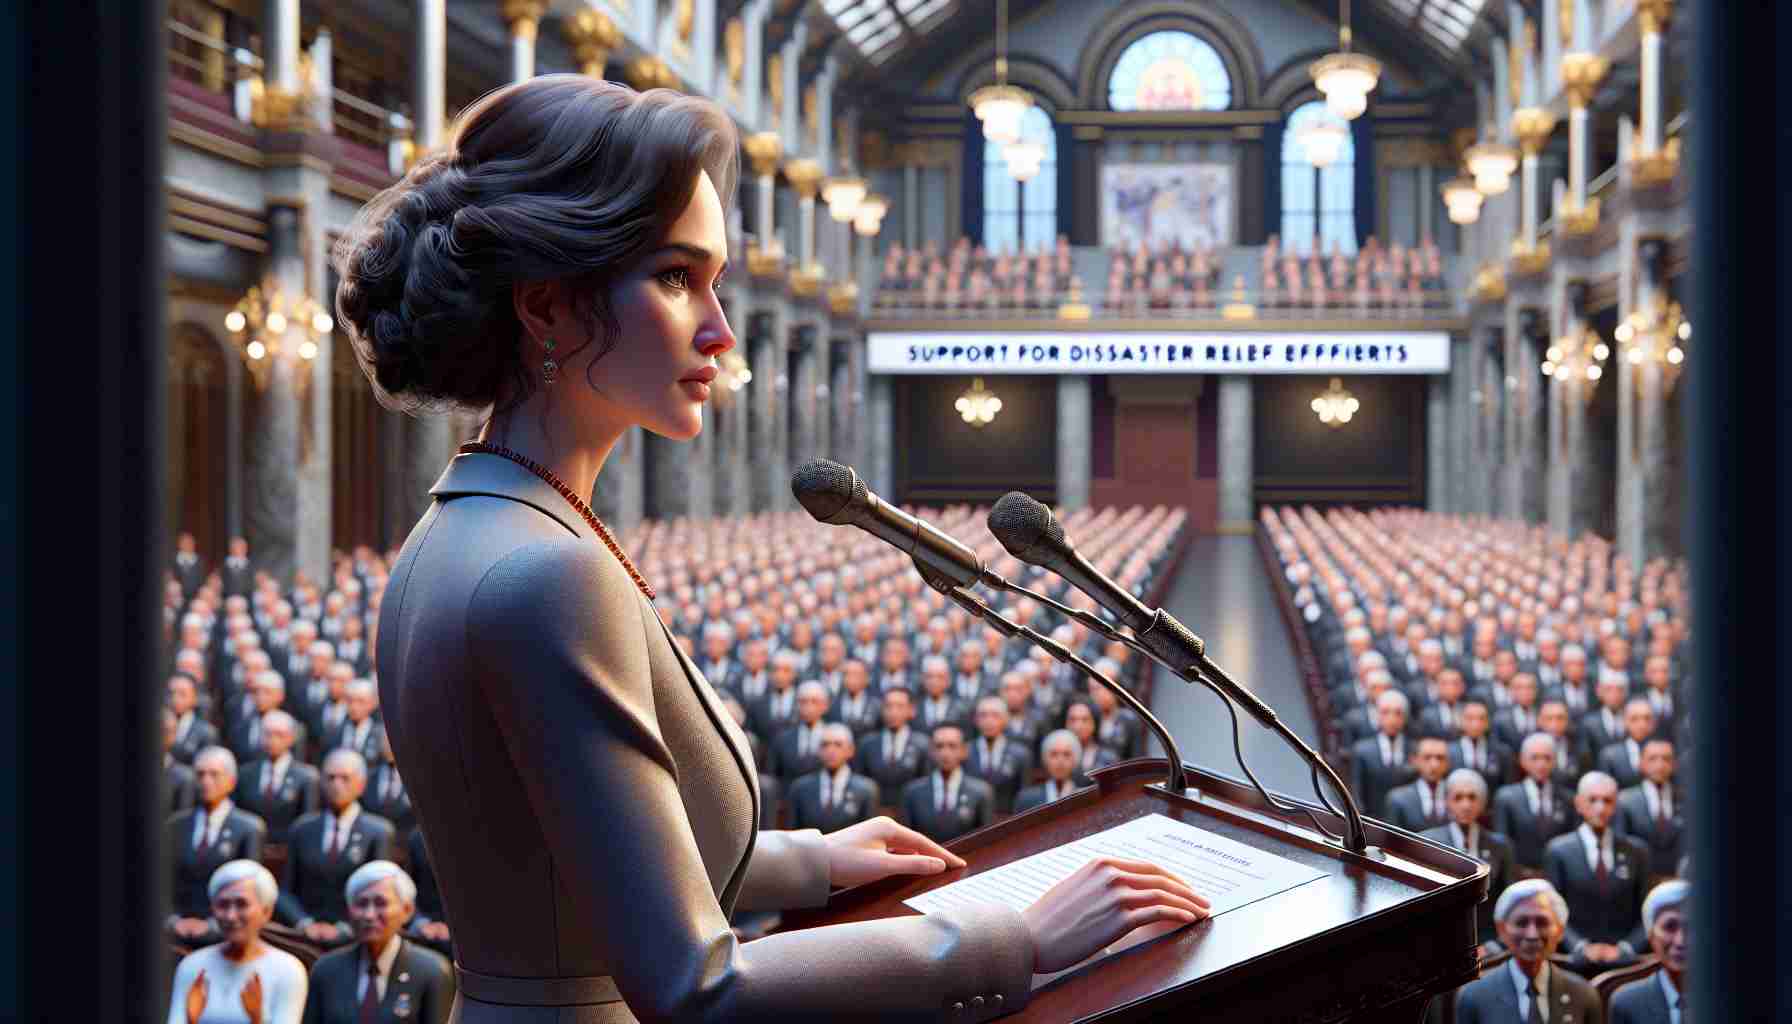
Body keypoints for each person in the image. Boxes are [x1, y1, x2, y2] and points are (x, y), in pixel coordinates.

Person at [342, 75, 1207, 1022]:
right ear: (546, 308)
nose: (720, 331)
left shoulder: (464, 524)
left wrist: (808, 860)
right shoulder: (546, 570)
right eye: (676, 278)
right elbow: (696, 987)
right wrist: (1016, 940)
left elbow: (552, 855)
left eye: (717, 281)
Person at [301, 861, 454, 1024]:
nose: (369, 915)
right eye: (361, 903)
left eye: (381, 903)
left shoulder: (432, 971)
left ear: (407, 910)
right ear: (348, 910)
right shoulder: (325, 970)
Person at [276, 750, 398, 948]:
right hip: (306, 934)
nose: (337, 785)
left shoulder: (378, 831)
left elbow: (381, 892)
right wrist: (305, 923)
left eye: (345, 779)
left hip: (357, 935)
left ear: (361, 784)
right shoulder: (302, 828)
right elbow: (286, 891)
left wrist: (345, 928)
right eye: (330, 778)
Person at [166, 860, 308, 1024]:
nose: (231, 916)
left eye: (242, 904)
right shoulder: (193, 966)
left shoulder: (287, 970)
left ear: (266, 911)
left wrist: (257, 1019)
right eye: (223, 905)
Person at [1452, 879, 1600, 1023]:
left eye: (1542, 923)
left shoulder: (1583, 993)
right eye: (1521, 923)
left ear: (1560, 930)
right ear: (1502, 929)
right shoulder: (1473, 996)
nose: (1532, 935)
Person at [1545, 771, 1650, 966]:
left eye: (1607, 801)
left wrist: (1627, 948)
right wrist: (1579, 947)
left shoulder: (1637, 851)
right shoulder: (1558, 851)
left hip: (1624, 960)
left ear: (1616, 805)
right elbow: (1552, 909)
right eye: (1592, 800)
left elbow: (1647, 911)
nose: (1600, 808)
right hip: (1574, 960)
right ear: (1578, 803)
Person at [168, 747, 268, 943]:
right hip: (176, 927)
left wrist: (214, 923)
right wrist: (173, 920)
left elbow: (248, 888)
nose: (206, 781)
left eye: (214, 775)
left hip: (226, 927)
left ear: (231, 782)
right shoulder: (174, 825)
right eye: (200, 774)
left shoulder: (249, 827)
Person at [1419, 769, 1513, 951]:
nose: (1466, 805)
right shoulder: (1428, 842)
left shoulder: (1500, 846)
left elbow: (1506, 901)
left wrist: (1494, 945)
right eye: (1458, 798)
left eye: (1472, 798)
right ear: (1447, 802)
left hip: (1488, 942)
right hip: (1440, 940)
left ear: (1483, 803)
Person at [1491, 734, 1576, 875]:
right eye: (1535, 758)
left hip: (1557, 875)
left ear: (1554, 761)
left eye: (1547, 758)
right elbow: (1503, 844)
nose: (1541, 764)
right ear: (1522, 761)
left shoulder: (1567, 798)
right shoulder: (1506, 797)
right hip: (1519, 875)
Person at [1608, 880, 1690, 1023]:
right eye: (1670, 927)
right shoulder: (1627, 1003)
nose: (1680, 941)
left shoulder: (1730, 1001)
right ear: (1651, 936)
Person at [900, 724, 996, 843]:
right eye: (939, 746)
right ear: (931, 751)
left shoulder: (981, 792)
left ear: (964, 751)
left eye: (952, 746)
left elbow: (986, 839)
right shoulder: (912, 792)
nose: (945, 753)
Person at [234, 711, 319, 845]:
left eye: (279, 735)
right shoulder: (245, 773)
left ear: (291, 738)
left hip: (287, 845)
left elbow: (307, 820)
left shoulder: (306, 777)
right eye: (267, 734)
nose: (272, 740)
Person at [788, 724, 880, 833]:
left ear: (851, 750)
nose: (831, 750)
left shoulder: (866, 790)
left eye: (838, 744)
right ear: (818, 750)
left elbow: (869, 836)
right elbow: (794, 835)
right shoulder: (800, 788)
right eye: (825, 745)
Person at [1614, 739, 1684, 881]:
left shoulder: (1687, 799)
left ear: (1674, 764)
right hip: (1639, 881)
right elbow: (1620, 846)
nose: (1660, 765)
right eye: (1653, 759)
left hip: (1679, 880)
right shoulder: (1623, 801)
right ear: (1641, 763)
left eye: (1666, 759)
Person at [855, 687, 930, 802]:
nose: (893, 712)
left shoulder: (923, 744)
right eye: (888, 706)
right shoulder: (867, 743)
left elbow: (925, 783)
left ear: (911, 710)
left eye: (900, 706)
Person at [1383, 737, 1452, 833]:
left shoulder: (1458, 796)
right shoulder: (1398, 799)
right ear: (1414, 760)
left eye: (1440, 758)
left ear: (1448, 763)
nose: (1434, 764)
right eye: (1427, 758)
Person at [1013, 730, 1083, 813]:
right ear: (1045, 759)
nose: (1060, 761)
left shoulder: (1084, 797)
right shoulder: (1026, 799)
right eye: (1054, 754)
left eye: (1066, 754)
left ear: (1075, 759)